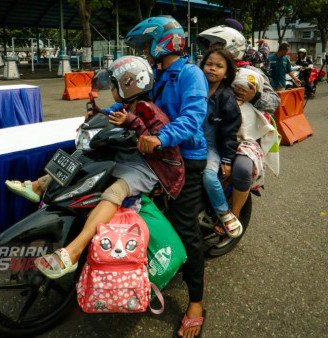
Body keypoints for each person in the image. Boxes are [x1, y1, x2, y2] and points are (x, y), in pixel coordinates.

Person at [6, 55, 185, 280]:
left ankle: (74, 251)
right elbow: (115, 118)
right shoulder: (127, 105)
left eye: (114, 86)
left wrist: (132, 123)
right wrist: (97, 116)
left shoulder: (149, 110)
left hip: (151, 167)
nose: (111, 90)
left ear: (129, 85)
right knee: (83, 158)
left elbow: (157, 141)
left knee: (114, 192)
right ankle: (39, 186)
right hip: (130, 157)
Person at [125, 16, 208, 338]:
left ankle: (197, 301)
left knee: (187, 228)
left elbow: (193, 116)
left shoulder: (190, 74)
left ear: (163, 42)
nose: (144, 52)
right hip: (156, 153)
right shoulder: (155, 75)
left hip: (185, 157)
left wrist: (162, 137)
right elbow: (133, 104)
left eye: (146, 46)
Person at [198, 25, 281, 235]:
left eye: (216, 44)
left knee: (242, 169)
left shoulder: (253, 73)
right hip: (210, 134)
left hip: (243, 137)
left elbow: (275, 101)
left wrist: (255, 97)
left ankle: (231, 215)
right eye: (209, 46)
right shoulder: (202, 72)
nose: (211, 49)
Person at [200, 47, 243, 238]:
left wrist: (226, 159)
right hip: (186, 142)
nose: (212, 69)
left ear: (226, 74)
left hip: (210, 146)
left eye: (219, 66)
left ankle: (225, 212)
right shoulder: (194, 88)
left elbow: (229, 132)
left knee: (209, 177)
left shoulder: (227, 98)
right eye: (209, 64)